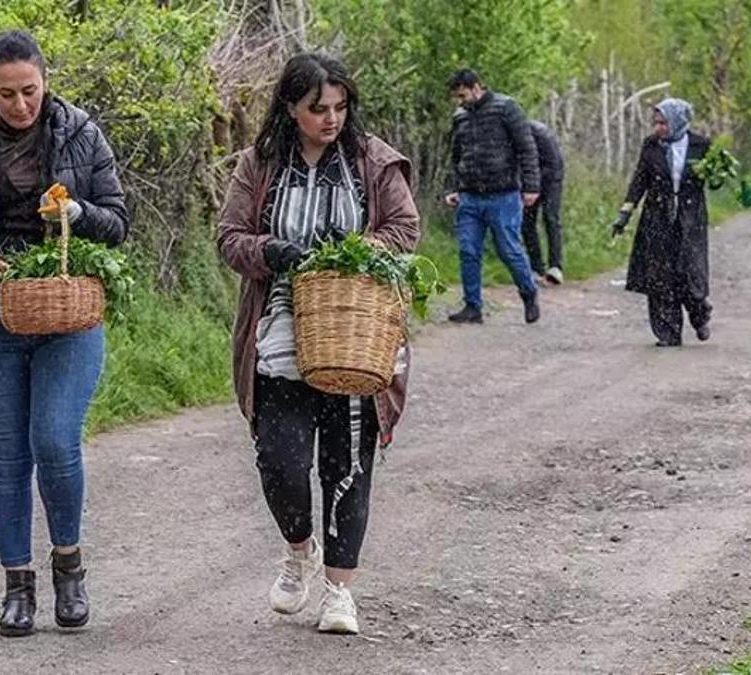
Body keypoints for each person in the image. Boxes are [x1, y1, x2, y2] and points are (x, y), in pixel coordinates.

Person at [0, 30, 128, 636]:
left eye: (29, 91)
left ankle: (70, 568)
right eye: (6, 94)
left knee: (56, 440)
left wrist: (80, 215)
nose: (20, 105)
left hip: (68, 312)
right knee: (7, 456)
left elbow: (118, 222)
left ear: (45, 80)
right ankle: (17, 587)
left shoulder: (83, 134)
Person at [215, 53, 421, 635]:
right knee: (280, 461)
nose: (330, 119)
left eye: (339, 107)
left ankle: (339, 593)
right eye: (317, 109)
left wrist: (360, 252)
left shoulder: (372, 162)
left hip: (353, 331)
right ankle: (297, 549)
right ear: (290, 108)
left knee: (346, 463)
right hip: (280, 329)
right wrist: (270, 252)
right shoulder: (260, 165)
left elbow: (405, 228)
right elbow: (229, 238)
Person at [609, 98, 713, 347]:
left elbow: (713, 178)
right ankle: (667, 333)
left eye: (663, 123)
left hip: (690, 218)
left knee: (690, 272)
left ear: (678, 122)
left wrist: (717, 176)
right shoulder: (652, 145)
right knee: (660, 275)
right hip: (657, 216)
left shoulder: (701, 145)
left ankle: (699, 315)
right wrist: (625, 213)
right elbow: (639, 180)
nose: (659, 128)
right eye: (656, 123)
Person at [443, 68, 541, 324]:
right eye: (456, 97)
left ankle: (529, 293)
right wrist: (453, 188)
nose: (460, 101)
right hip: (470, 195)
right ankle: (472, 306)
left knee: (509, 249)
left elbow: (526, 147)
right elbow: (455, 156)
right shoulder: (460, 117)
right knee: (468, 250)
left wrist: (531, 186)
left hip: (503, 194)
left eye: (462, 95)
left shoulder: (506, 108)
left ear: (476, 87)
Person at [523, 119, 566, 285]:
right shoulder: (505, 135)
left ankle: (556, 267)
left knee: (550, 217)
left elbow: (553, 164)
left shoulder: (540, 133)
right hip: (528, 179)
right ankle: (536, 267)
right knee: (526, 221)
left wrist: (534, 189)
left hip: (551, 176)